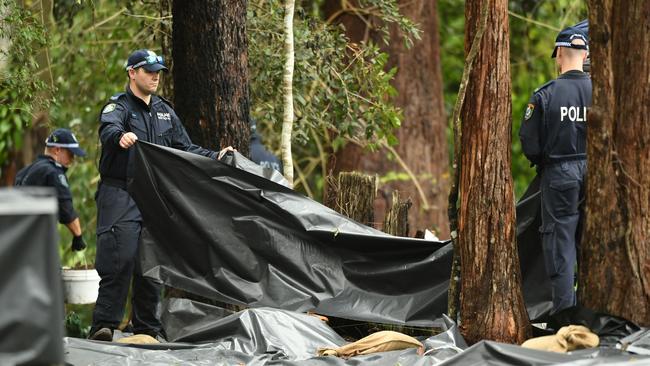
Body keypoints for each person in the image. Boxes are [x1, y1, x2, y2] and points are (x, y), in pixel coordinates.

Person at [89, 49, 233, 341]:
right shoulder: (118, 107)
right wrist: (121, 136)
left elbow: (185, 148)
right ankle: (103, 326)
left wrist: (215, 155)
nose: (155, 76)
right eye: (149, 70)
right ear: (132, 72)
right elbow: (108, 130)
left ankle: (147, 329)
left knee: (151, 262)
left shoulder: (164, 111)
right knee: (121, 256)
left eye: (158, 71)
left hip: (153, 195)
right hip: (121, 192)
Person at [519, 26, 591, 314]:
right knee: (594, 245)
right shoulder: (602, 91)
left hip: (559, 174)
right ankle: (594, 317)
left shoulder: (545, 95)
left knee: (561, 247)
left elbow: (529, 142)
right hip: (597, 174)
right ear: (585, 55)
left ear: (559, 54)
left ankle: (566, 322)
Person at [15, 128, 87, 252]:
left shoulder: (26, 170)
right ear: (57, 150)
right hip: (36, 241)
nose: (73, 158)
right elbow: (65, 207)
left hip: (17, 237)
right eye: (70, 153)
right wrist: (78, 236)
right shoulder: (53, 172)